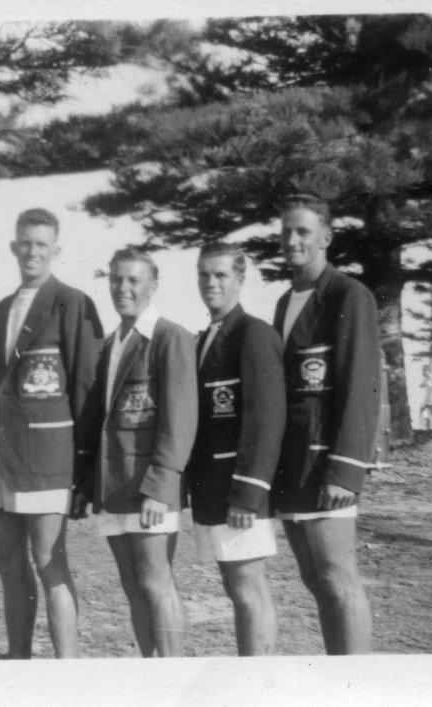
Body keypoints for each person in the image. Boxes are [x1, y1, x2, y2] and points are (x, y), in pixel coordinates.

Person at [0, 207, 104, 659]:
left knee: (49, 561)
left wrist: (84, 468)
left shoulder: (72, 302)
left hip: (49, 457)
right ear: (14, 246)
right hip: (3, 454)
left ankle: (66, 670)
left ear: (56, 250)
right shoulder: (0, 311)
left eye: (42, 245)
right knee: (7, 561)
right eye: (25, 243)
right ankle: (19, 661)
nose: (33, 252)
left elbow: (87, 389)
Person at [272, 192, 384, 655]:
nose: (292, 240)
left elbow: (363, 386)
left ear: (326, 237)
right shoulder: (285, 301)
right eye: (286, 231)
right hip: (293, 466)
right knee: (315, 580)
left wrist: (346, 469)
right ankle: (338, 676)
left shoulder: (349, 295)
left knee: (338, 578)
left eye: (303, 231)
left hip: (327, 467)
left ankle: (355, 684)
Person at [72, 248, 198, 657]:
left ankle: (173, 677)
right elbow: (102, 422)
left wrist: (161, 486)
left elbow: (180, 420)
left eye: (133, 280)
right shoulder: (111, 344)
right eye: (116, 280)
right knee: (131, 584)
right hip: (113, 487)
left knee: (156, 581)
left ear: (152, 286)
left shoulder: (170, 337)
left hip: (150, 489)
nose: (122, 288)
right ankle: (150, 673)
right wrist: (86, 483)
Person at [185, 242, 286, 656]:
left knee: (248, 589)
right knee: (235, 587)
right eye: (204, 274)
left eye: (221, 274)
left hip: (239, 492)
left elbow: (266, 420)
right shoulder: (204, 339)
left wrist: (248, 493)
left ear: (241, 280)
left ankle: (256, 681)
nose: (210, 282)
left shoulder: (254, 334)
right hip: (212, 489)